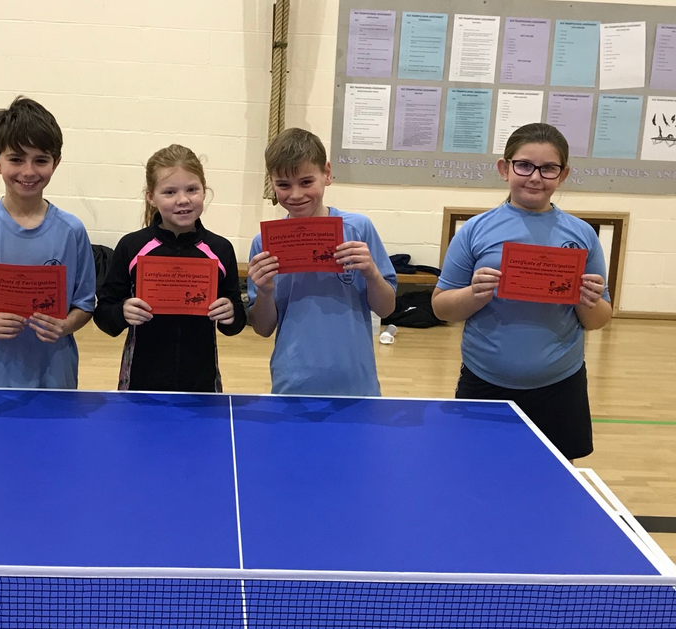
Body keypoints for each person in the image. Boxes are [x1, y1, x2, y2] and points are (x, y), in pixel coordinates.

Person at [431, 122, 612, 460]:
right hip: (485, 381)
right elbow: (441, 307)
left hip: (560, 383)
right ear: (505, 168)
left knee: (556, 480)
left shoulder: (582, 235)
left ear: (563, 174)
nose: (535, 177)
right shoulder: (475, 230)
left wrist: (588, 301)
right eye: (524, 165)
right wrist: (475, 293)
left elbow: (599, 318)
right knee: (476, 473)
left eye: (548, 169)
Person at [0, 96, 95, 388]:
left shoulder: (72, 230)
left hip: (55, 376)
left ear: (56, 163)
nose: (28, 171)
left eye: (40, 160)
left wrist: (65, 325)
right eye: (16, 159)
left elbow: (85, 305)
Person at [247, 128, 397, 396]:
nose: (295, 194)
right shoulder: (264, 243)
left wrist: (373, 273)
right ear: (271, 183)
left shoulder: (358, 229)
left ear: (327, 173)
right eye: (283, 184)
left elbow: (386, 309)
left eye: (306, 182)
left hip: (356, 384)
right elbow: (263, 328)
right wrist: (265, 290)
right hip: (292, 382)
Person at [94, 144, 246, 392]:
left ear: (204, 191)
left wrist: (230, 313)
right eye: (169, 192)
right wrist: (122, 312)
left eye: (191, 189)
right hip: (141, 382)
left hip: (201, 384)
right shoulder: (132, 247)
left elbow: (235, 323)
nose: (183, 200)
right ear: (151, 197)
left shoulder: (220, 249)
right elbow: (104, 316)